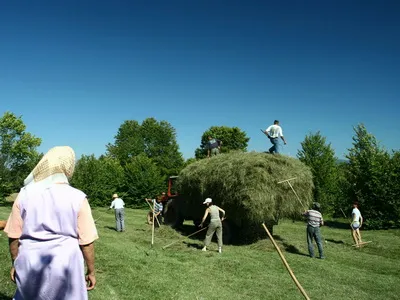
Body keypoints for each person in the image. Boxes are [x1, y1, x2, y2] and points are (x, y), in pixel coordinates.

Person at [3, 146, 98, 300]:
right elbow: (86, 242)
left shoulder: (24, 194)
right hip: (66, 263)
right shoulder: (78, 197)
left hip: (30, 261)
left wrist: (15, 262)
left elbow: (14, 235)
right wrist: (91, 271)